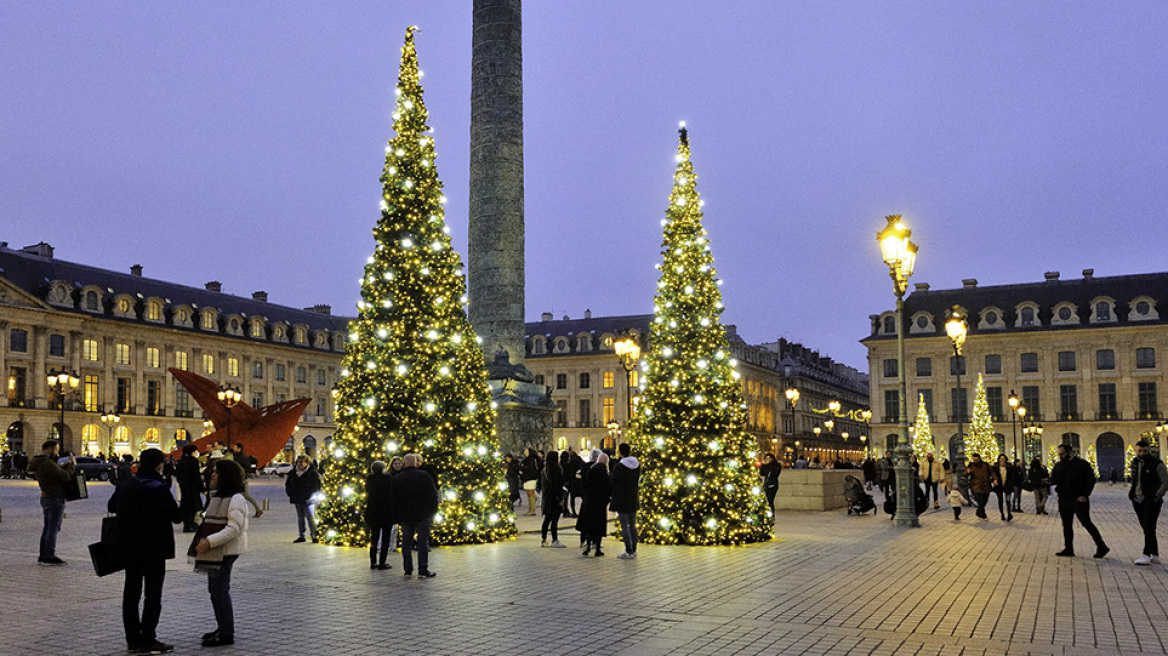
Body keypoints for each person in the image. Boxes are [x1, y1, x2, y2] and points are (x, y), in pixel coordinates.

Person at [108, 448, 181, 654]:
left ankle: (132, 640)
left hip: (129, 547)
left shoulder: (126, 484)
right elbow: (176, 516)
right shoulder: (158, 487)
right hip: (154, 548)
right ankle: (148, 639)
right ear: (159, 465)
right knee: (152, 594)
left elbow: (112, 505)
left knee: (131, 593)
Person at [194, 459, 250, 647]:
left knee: (220, 590)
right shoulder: (218, 497)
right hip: (218, 550)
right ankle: (222, 627)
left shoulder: (236, 499)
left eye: (217, 472)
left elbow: (234, 528)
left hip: (225, 550)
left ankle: (226, 633)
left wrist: (210, 541)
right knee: (215, 590)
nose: (213, 475)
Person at [1050, 444, 1109, 559]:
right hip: (1064, 499)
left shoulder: (1081, 464)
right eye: (1059, 454)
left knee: (1086, 522)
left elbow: (1090, 480)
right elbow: (1054, 480)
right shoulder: (1058, 466)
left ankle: (1101, 546)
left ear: (1069, 452)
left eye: (1062, 454)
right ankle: (1068, 548)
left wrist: (1085, 495)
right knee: (1066, 525)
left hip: (1078, 499)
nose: (1060, 456)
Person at [391, 453, 439, 577]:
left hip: (405, 515)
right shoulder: (424, 476)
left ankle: (408, 570)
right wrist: (432, 512)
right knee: (422, 542)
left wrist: (397, 516)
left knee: (406, 542)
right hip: (423, 514)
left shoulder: (398, 478)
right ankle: (423, 569)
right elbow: (432, 496)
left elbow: (393, 499)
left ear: (405, 463)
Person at [29, 439, 75, 565]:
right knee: (53, 528)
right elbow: (65, 476)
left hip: (46, 496)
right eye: (56, 450)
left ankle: (43, 555)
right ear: (50, 450)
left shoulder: (40, 462)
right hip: (55, 497)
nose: (56, 453)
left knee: (48, 527)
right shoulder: (47, 463)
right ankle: (49, 555)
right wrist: (71, 465)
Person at [1129, 439, 1168, 566]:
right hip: (1137, 498)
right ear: (1136, 450)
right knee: (1147, 528)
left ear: (1149, 450)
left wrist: (1157, 495)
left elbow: (1165, 481)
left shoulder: (1157, 463)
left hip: (1151, 500)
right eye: (1139, 451)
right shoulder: (1134, 462)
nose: (1142, 453)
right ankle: (1154, 554)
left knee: (1149, 526)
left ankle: (1145, 554)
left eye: (1145, 451)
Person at [609, 443, 641, 560]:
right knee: (633, 525)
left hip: (622, 498)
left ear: (620, 452)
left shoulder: (619, 466)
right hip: (633, 498)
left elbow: (612, 481)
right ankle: (634, 549)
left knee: (624, 526)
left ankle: (628, 551)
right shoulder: (637, 465)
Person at [577, 451, 611, 557]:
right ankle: (597, 549)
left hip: (589, 501)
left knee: (589, 524)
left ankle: (587, 547)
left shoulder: (591, 471)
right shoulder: (605, 473)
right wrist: (606, 500)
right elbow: (608, 489)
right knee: (599, 525)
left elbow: (584, 484)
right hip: (600, 503)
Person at [365, 460, 395, 570]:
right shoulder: (388, 479)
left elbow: (367, 490)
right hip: (386, 512)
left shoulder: (369, 479)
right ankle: (382, 562)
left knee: (374, 537)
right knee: (385, 538)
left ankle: (373, 562)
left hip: (373, 511)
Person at [285, 455, 321, 543]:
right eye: (298, 462)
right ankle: (302, 535)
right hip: (297, 498)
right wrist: (291, 494)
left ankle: (314, 535)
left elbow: (317, 486)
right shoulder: (293, 472)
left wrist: (311, 495)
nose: (300, 464)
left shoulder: (312, 473)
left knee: (310, 518)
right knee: (300, 518)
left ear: (307, 463)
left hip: (308, 499)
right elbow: (288, 485)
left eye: (302, 462)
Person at [540, 450, 567, 548]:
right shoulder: (555, 469)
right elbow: (556, 485)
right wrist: (560, 498)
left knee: (547, 519)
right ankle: (554, 540)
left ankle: (543, 540)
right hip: (554, 498)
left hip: (547, 497)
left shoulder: (544, 469)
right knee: (554, 520)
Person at [176, 444, 205, 532]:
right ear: (192, 452)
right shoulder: (193, 461)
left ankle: (187, 525)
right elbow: (196, 476)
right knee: (193, 507)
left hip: (184, 488)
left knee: (186, 506)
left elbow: (178, 476)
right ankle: (191, 524)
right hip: (193, 488)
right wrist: (202, 489)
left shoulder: (181, 461)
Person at [965, 453, 994, 520]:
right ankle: (983, 514)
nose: (975, 461)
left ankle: (979, 511)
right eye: (974, 460)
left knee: (985, 500)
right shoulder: (971, 465)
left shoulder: (985, 465)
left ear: (979, 458)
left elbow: (992, 472)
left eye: (976, 460)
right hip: (976, 486)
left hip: (986, 485)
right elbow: (965, 473)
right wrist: (967, 471)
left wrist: (995, 479)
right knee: (980, 500)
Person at [992, 454, 1016, 522]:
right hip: (999, 486)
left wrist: (1011, 483)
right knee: (1000, 501)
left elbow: (1012, 476)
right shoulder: (995, 467)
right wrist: (994, 481)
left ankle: (1009, 513)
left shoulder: (1009, 466)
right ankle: (1002, 514)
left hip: (1007, 486)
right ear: (999, 459)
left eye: (1003, 458)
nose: (1002, 459)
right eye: (1001, 458)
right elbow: (993, 475)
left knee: (1008, 500)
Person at [520, 447, 541, 515]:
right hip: (527, 477)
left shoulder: (531, 459)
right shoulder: (527, 459)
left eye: (526, 451)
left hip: (531, 477)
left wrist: (523, 469)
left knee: (531, 492)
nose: (525, 452)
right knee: (528, 492)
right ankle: (530, 508)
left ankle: (532, 509)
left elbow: (530, 468)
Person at [565, 450, 585, 518]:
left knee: (572, 498)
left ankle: (574, 512)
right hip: (580, 482)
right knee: (583, 497)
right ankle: (584, 511)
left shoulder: (570, 463)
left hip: (572, 483)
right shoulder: (580, 461)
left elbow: (568, 474)